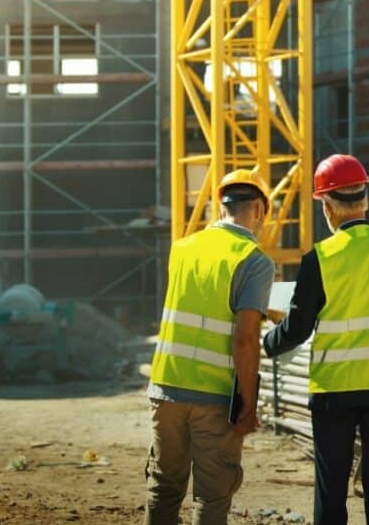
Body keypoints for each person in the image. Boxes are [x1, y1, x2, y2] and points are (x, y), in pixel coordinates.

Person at [264, 154, 369, 525]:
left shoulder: (319, 259)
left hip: (334, 391)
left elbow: (297, 329)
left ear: (327, 206)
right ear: (365, 200)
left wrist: (267, 342)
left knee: (331, 487)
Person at [144, 170, 275, 525]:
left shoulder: (182, 249)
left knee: (164, 489)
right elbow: (246, 340)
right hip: (213, 399)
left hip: (165, 389)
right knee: (212, 496)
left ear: (221, 205)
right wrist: (248, 405)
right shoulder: (255, 261)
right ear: (261, 210)